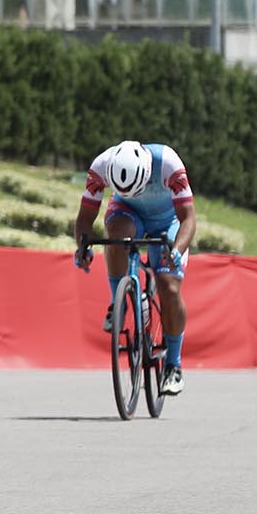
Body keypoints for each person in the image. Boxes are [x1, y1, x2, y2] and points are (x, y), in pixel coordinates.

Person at [73, 141, 196, 396]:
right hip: (127, 214)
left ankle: (173, 365)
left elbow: (188, 219)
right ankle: (118, 300)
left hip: (168, 220)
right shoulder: (101, 166)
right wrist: (82, 247)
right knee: (116, 235)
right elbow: (85, 218)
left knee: (169, 287)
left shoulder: (168, 163)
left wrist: (176, 251)